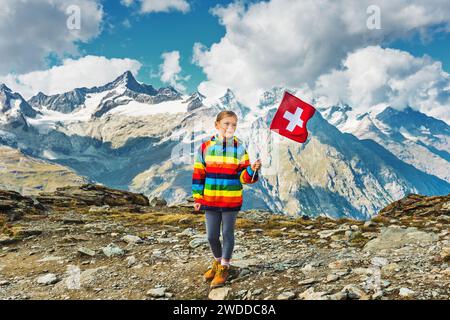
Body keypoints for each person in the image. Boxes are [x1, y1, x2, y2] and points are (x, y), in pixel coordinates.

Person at [192, 110, 261, 288]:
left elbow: (244, 178)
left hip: (231, 200)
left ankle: (224, 267)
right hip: (211, 200)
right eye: (227, 124)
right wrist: (198, 197)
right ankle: (217, 262)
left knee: (227, 234)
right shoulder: (205, 147)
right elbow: (199, 173)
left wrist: (252, 169)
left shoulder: (240, 148)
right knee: (211, 236)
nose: (231, 127)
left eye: (234, 124)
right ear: (217, 125)